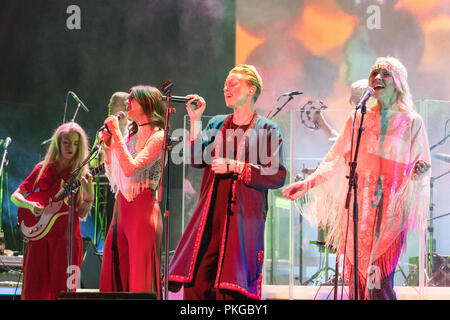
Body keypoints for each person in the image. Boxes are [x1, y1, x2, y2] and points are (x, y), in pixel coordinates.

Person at [282, 56, 431, 300]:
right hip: (358, 210)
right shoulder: (358, 118)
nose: (378, 78)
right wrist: (307, 183)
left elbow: (420, 165)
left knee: (379, 283)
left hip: (390, 211)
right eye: (375, 73)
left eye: (385, 74)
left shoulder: (412, 122)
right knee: (356, 285)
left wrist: (418, 172)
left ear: (399, 83)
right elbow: (335, 158)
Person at [168, 64, 287, 300]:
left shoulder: (267, 129)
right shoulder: (218, 124)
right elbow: (194, 158)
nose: (226, 88)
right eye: (225, 84)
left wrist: (235, 166)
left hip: (242, 221)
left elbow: (278, 175)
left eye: (233, 83)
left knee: (232, 286)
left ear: (251, 89)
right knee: (199, 280)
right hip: (211, 218)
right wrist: (195, 121)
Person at [11, 122, 94, 300]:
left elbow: (82, 214)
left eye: (75, 143)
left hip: (66, 241)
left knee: (63, 292)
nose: (71, 147)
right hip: (39, 237)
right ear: (58, 142)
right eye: (66, 142)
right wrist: (31, 206)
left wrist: (89, 194)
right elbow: (15, 196)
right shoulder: (42, 168)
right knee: (34, 290)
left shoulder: (81, 174)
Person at [99, 85, 165, 297]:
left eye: (132, 99)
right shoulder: (130, 135)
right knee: (114, 268)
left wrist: (116, 134)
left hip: (142, 210)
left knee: (140, 279)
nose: (127, 102)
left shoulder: (158, 136)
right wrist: (108, 147)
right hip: (122, 208)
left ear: (146, 104)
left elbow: (130, 168)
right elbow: (114, 174)